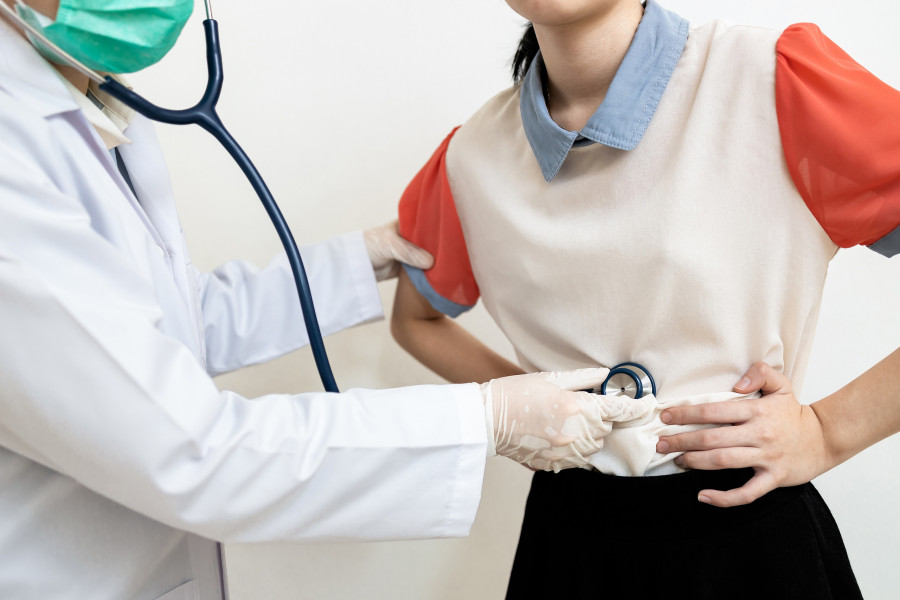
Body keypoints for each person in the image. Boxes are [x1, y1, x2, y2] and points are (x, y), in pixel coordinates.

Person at [0, 1, 652, 598]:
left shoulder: (100, 112)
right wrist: (489, 417)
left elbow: (164, 322)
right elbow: (196, 452)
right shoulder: (13, 151)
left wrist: (356, 261)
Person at [392, 0, 900, 597]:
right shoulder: (468, 158)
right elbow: (416, 320)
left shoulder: (771, 77)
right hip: (569, 542)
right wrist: (520, 409)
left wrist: (825, 432)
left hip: (749, 539)